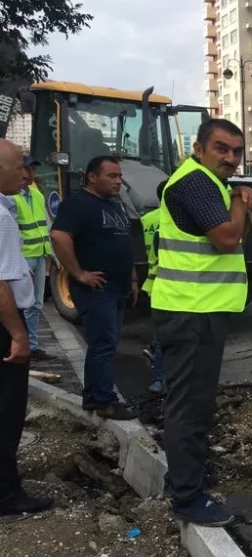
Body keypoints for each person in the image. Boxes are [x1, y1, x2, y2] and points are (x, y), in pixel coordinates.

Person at [152, 118, 252, 527]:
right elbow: (227, 239)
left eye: (236, 151)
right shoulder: (195, 183)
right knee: (189, 408)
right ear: (199, 148)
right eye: (222, 148)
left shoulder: (207, 183)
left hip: (200, 310)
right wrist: (238, 200)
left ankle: (186, 473)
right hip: (191, 311)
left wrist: (237, 198)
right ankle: (187, 497)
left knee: (191, 403)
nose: (231, 158)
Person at [51, 156, 137, 421]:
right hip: (97, 289)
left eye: (119, 176)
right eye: (112, 176)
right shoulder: (78, 204)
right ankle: (102, 401)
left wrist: (132, 278)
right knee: (103, 344)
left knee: (107, 344)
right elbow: (59, 236)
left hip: (118, 286)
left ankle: (96, 395)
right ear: (91, 177)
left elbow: (124, 243)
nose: (118, 181)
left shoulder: (116, 205)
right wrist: (78, 273)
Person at [0, 139, 54, 516]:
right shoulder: (1, 217)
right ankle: (7, 495)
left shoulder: (9, 207)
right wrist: (19, 335)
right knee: (7, 411)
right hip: (4, 327)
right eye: (19, 165)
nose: (25, 173)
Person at [14, 155, 54, 360]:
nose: (31, 175)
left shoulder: (37, 196)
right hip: (24, 259)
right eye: (28, 170)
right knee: (20, 304)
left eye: (33, 171)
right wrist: (19, 261)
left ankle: (32, 345)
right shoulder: (12, 198)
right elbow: (11, 233)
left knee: (36, 304)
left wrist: (52, 254)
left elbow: (44, 226)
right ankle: (20, 343)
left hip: (39, 256)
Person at [140, 181, 166, 394]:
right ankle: (159, 379)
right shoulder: (172, 221)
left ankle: (153, 351)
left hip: (152, 282)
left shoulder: (146, 220)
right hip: (169, 283)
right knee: (165, 334)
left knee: (161, 331)